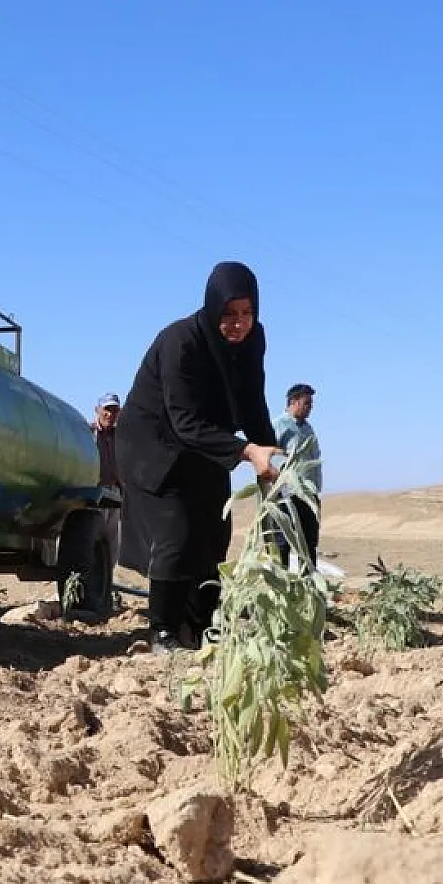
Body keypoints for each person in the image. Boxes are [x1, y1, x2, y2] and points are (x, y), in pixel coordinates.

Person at [115, 261, 281, 653]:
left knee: (213, 530)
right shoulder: (180, 341)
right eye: (229, 314)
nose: (238, 324)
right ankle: (163, 631)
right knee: (176, 530)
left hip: (205, 440)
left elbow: (252, 399)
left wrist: (269, 451)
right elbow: (183, 420)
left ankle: (207, 625)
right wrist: (245, 450)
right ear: (211, 309)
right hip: (154, 443)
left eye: (247, 313)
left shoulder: (254, 340)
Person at [270, 382, 322, 569]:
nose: (310, 408)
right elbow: (271, 455)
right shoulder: (279, 425)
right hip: (287, 494)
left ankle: (308, 587)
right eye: (307, 403)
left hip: (309, 493)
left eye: (311, 404)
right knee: (282, 541)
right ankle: (281, 586)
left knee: (309, 542)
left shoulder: (308, 428)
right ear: (294, 401)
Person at [91, 393, 123, 590]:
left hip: (115, 493)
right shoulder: (88, 432)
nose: (110, 414)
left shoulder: (120, 436)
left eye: (114, 410)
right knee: (92, 538)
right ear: (98, 410)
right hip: (94, 493)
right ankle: (88, 585)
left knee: (112, 544)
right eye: (107, 409)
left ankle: (104, 586)